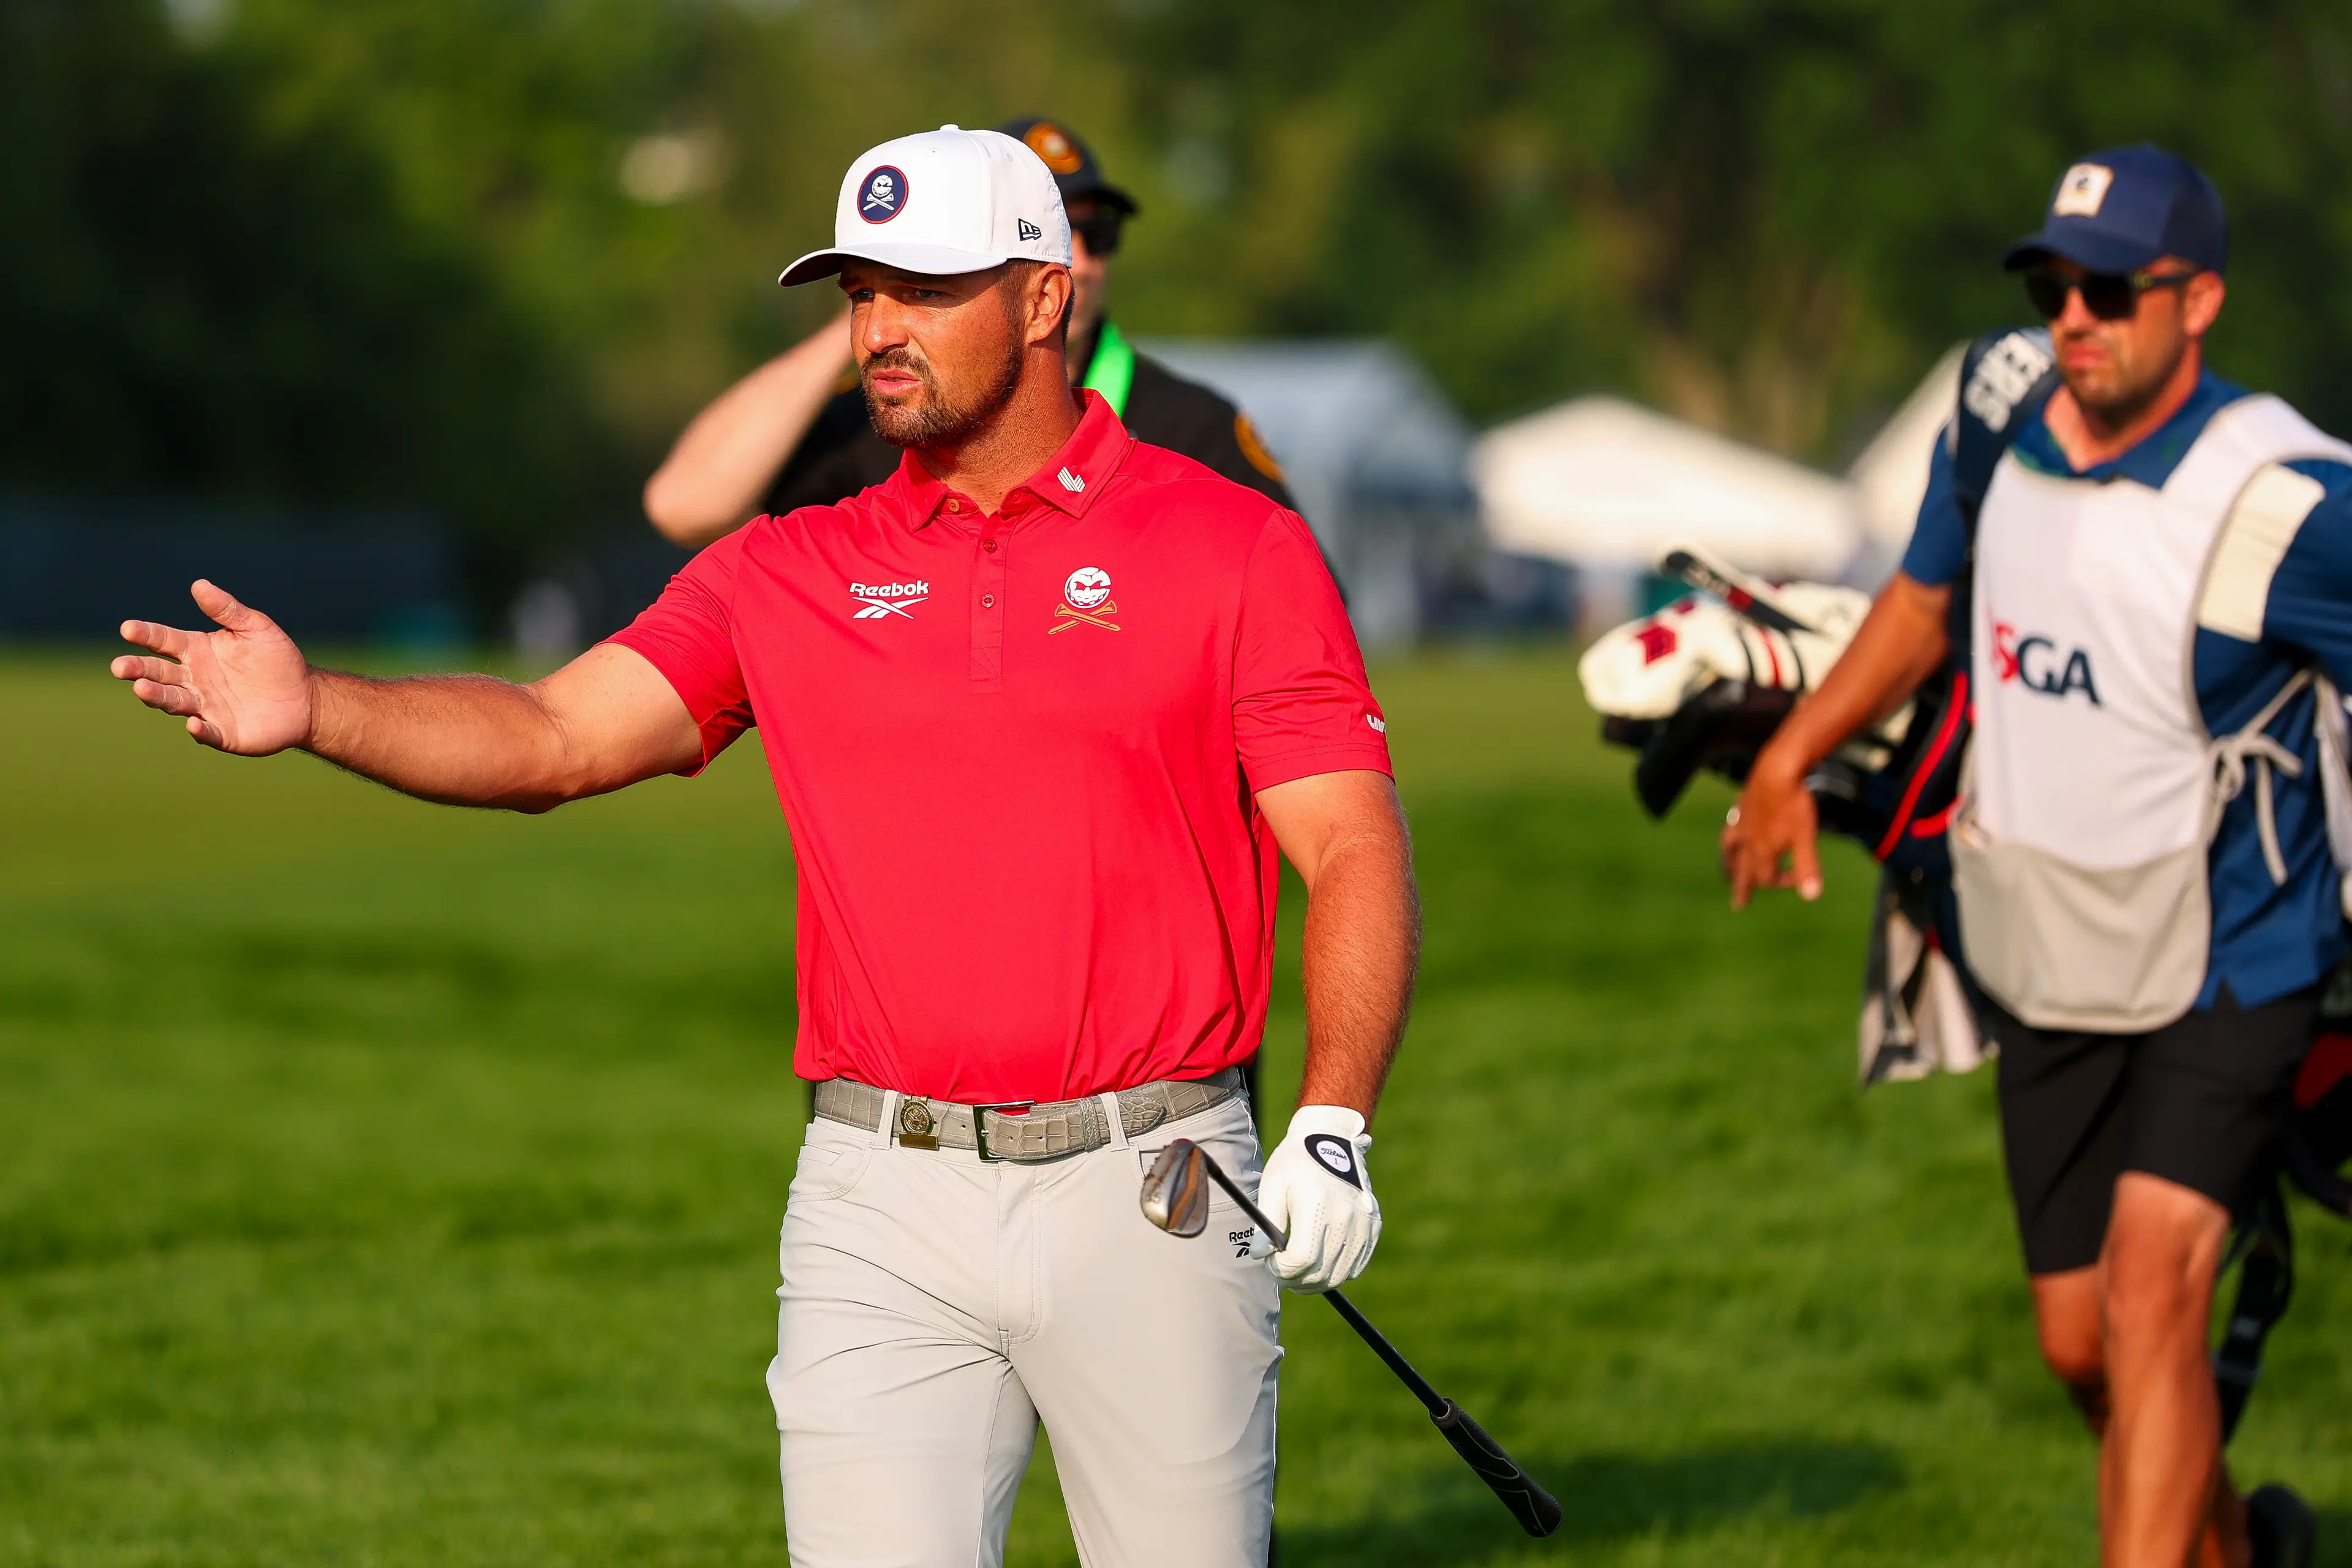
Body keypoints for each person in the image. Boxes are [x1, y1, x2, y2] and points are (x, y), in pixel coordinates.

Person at [110, 124, 1419, 1567]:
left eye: (922, 289)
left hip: (1160, 1183)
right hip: (878, 1196)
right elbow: (555, 733)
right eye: (859, 290)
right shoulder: (791, 563)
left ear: (1043, 299)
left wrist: (1333, 1116)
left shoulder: (1232, 544)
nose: (878, 330)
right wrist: (320, 708)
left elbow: (1350, 843)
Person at [1723, 144, 2350, 1568]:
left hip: (2230, 955)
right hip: (2048, 943)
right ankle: (2239, 1547)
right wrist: (1782, 753)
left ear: (2197, 302)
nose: (2071, 316)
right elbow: (1921, 602)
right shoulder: (2000, 413)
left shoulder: (2286, 499)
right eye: (2050, 284)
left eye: (2108, 290)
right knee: (2081, 1341)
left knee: (2146, 1304)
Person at [642, 116, 1297, 548]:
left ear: (1050, 298)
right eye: (1054, 230)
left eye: (1095, 233)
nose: (1077, 257)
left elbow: (1296, 623)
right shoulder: (888, 408)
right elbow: (685, 506)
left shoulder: (1191, 424)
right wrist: (880, 297)